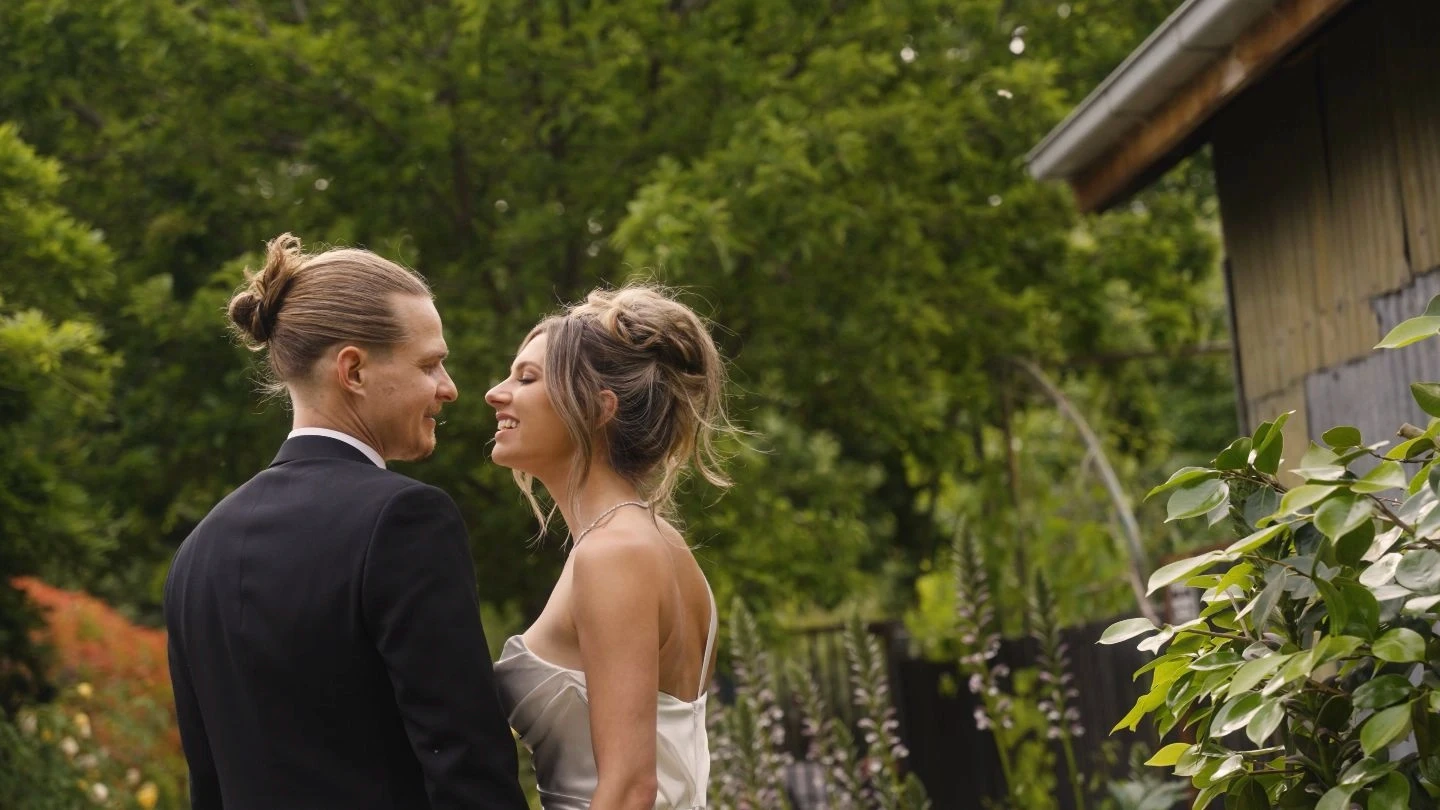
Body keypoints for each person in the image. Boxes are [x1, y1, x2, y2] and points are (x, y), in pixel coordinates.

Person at [163, 234, 528, 810]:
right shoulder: (405, 520)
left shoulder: (197, 552)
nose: (449, 388)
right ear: (353, 370)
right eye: (430, 364)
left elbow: (207, 785)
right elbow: (468, 766)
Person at [485, 285, 734, 810]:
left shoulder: (614, 553)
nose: (495, 393)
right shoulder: (649, 542)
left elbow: (629, 788)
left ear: (599, 409)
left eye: (526, 378)